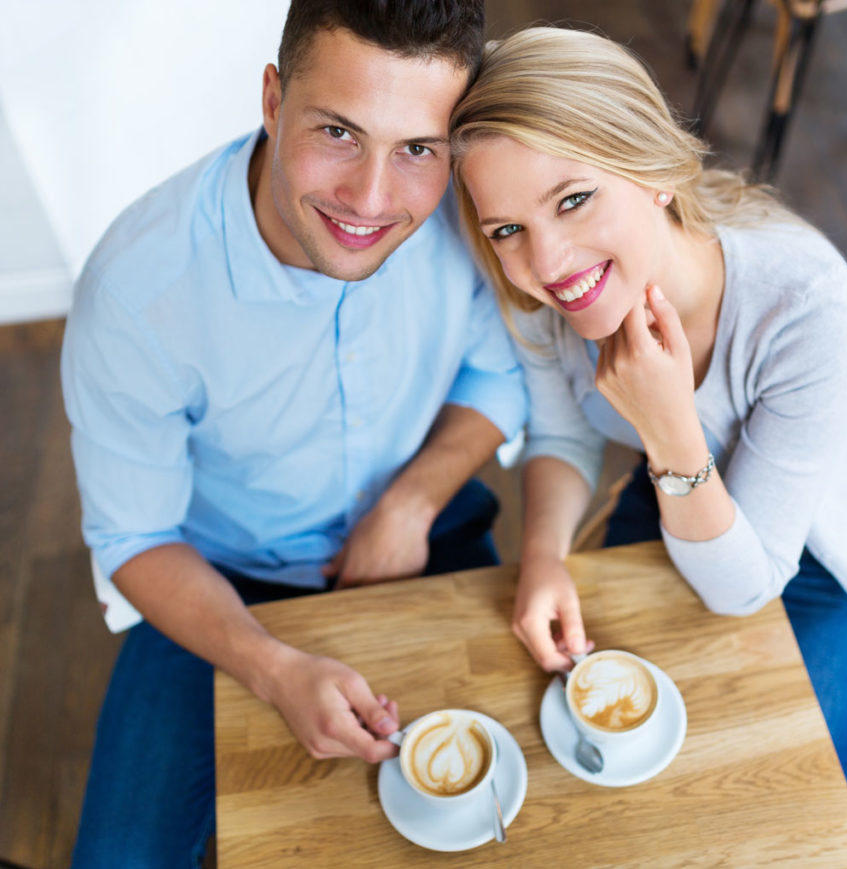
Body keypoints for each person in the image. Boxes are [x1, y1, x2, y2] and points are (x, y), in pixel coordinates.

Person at [61, 1, 527, 865]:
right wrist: (271, 665)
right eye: (340, 132)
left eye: (417, 148)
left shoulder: (475, 210)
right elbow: (135, 535)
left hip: (424, 532)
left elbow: (497, 375)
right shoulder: (137, 291)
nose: (371, 199)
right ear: (273, 100)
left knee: (517, 829)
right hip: (221, 587)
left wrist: (412, 502)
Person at [451, 26, 847, 786]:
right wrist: (541, 556)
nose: (548, 265)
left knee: (794, 797)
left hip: (826, 555)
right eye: (509, 229)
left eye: (574, 199)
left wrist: (668, 424)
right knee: (617, 766)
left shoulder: (807, 307)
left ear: (654, 168)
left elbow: (747, 584)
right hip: (676, 500)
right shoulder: (534, 298)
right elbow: (564, 434)